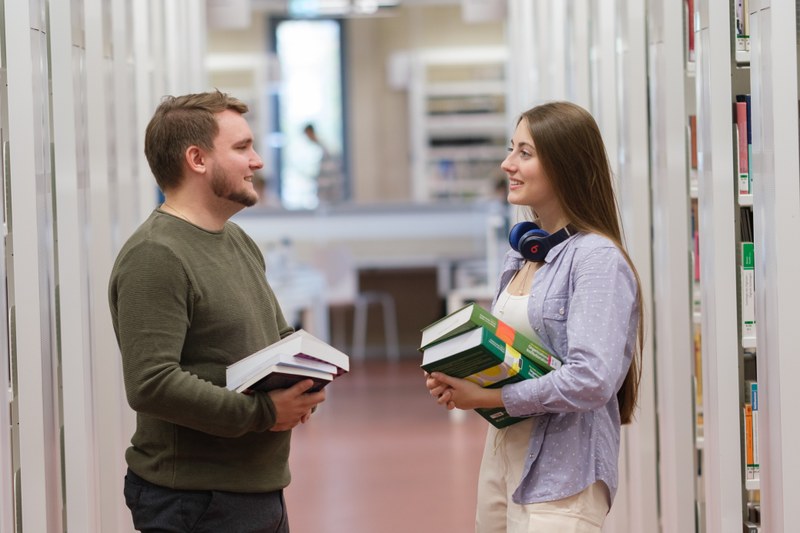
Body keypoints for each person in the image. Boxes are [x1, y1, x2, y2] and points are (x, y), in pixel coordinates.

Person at [109, 90, 326, 532]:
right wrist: (264, 413)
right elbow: (151, 383)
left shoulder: (236, 240)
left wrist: (306, 375)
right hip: (195, 501)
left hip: (254, 488)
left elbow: (274, 333)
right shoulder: (156, 254)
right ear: (197, 159)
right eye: (243, 148)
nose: (258, 161)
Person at [425, 101, 643, 533]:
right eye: (512, 150)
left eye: (525, 153)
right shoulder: (523, 255)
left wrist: (488, 398)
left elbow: (592, 379)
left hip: (564, 474)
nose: (508, 164)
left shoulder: (597, 259)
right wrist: (461, 375)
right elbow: (515, 354)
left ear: (565, 166)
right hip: (504, 458)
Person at [302, 123, 344, 204]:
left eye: (307, 135)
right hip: (324, 183)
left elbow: (331, 165)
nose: (307, 138)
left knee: (328, 205)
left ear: (310, 132)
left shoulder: (324, 145)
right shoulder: (318, 146)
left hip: (329, 183)